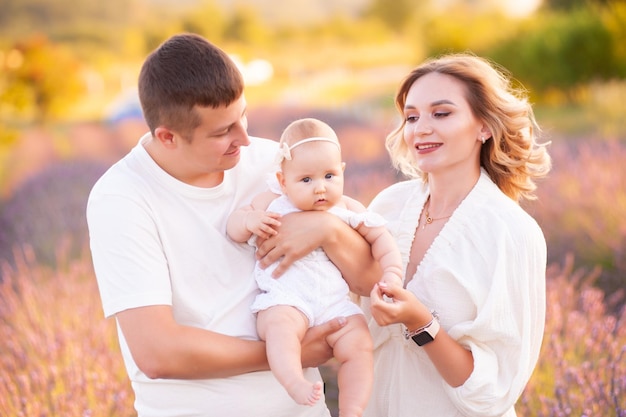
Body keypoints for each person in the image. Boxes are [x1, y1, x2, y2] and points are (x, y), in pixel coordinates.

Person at [86, 33, 382, 417]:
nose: (244, 139)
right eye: (222, 131)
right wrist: (290, 353)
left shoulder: (273, 164)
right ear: (167, 137)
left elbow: (369, 277)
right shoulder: (121, 198)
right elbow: (156, 352)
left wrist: (328, 231)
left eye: (242, 115)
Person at [362, 53, 552, 417]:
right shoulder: (387, 207)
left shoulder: (511, 233)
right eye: (412, 117)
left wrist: (421, 323)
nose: (420, 129)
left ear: (483, 126)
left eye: (442, 113)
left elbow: (492, 392)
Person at [227, 118, 403, 416]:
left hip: (334, 303)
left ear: (343, 172)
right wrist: (249, 222)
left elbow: (382, 241)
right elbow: (235, 225)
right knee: (280, 330)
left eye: (330, 176)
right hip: (287, 298)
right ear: (283, 181)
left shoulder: (348, 209)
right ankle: (294, 381)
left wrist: (392, 274)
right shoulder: (272, 202)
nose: (320, 188)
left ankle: (353, 408)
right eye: (306, 180)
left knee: (359, 344)